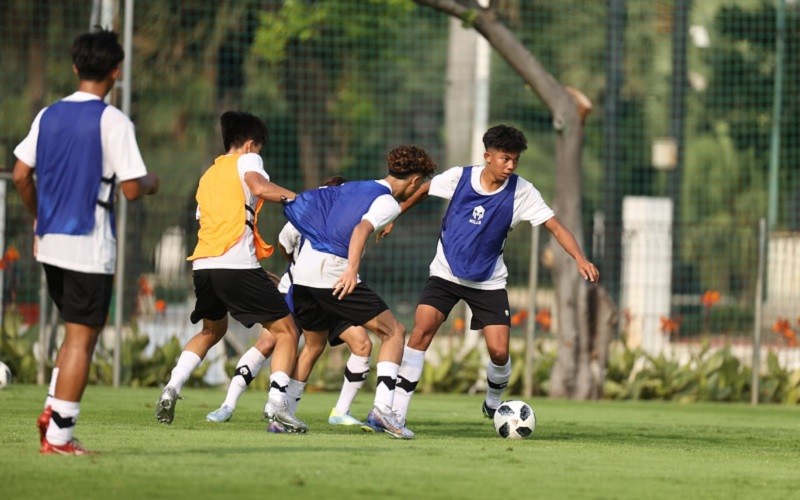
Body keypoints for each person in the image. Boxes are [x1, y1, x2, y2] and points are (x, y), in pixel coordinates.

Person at [389, 124, 599, 427]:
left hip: (488, 281)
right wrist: (395, 214)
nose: (511, 165)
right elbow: (423, 188)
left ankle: (493, 400)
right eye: (505, 158)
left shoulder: (522, 191)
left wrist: (579, 257)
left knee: (499, 352)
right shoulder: (459, 177)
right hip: (445, 274)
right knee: (421, 333)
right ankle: (396, 412)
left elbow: (554, 225)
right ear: (488, 156)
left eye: (515, 160)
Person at [12, 29, 160, 455]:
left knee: (71, 333)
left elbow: (21, 174)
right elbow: (132, 189)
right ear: (117, 71)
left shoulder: (48, 114)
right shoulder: (113, 120)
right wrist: (152, 182)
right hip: (88, 243)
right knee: (82, 339)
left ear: (76, 67)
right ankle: (59, 437)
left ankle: (51, 412)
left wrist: (39, 213)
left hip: (50, 241)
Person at [155, 110, 308, 434]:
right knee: (287, 332)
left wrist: (255, 271)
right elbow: (260, 186)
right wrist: (299, 199)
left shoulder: (209, 174)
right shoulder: (248, 161)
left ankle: (172, 387)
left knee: (212, 331)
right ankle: (277, 405)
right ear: (251, 144)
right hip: (234, 264)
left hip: (204, 266)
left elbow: (214, 223)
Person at [282, 145, 437, 439]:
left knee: (313, 345)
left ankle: (283, 412)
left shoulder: (355, 186)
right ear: (415, 181)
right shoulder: (387, 202)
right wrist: (352, 269)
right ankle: (382, 409)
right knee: (394, 332)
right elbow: (361, 230)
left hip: (302, 275)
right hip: (334, 273)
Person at [206, 179, 372, 429]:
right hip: (299, 288)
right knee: (268, 341)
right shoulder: (310, 211)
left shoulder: (350, 216)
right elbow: (285, 244)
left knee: (352, 344)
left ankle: (323, 412)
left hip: (335, 290)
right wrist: (295, 267)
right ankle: (228, 404)